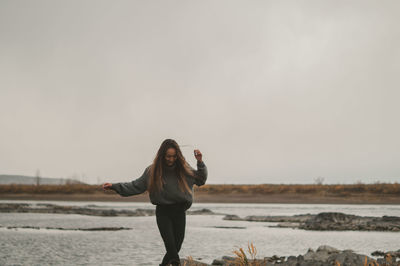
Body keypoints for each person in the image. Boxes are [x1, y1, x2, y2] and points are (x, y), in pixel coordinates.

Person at [102, 139, 208, 266]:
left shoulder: (183, 169)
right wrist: (114, 186)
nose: (171, 159)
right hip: (163, 212)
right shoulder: (152, 171)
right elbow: (135, 186)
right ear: (162, 155)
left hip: (180, 211)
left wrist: (200, 162)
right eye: (168, 156)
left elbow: (201, 180)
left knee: (176, 247)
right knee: (172, 250)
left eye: (174, 156)